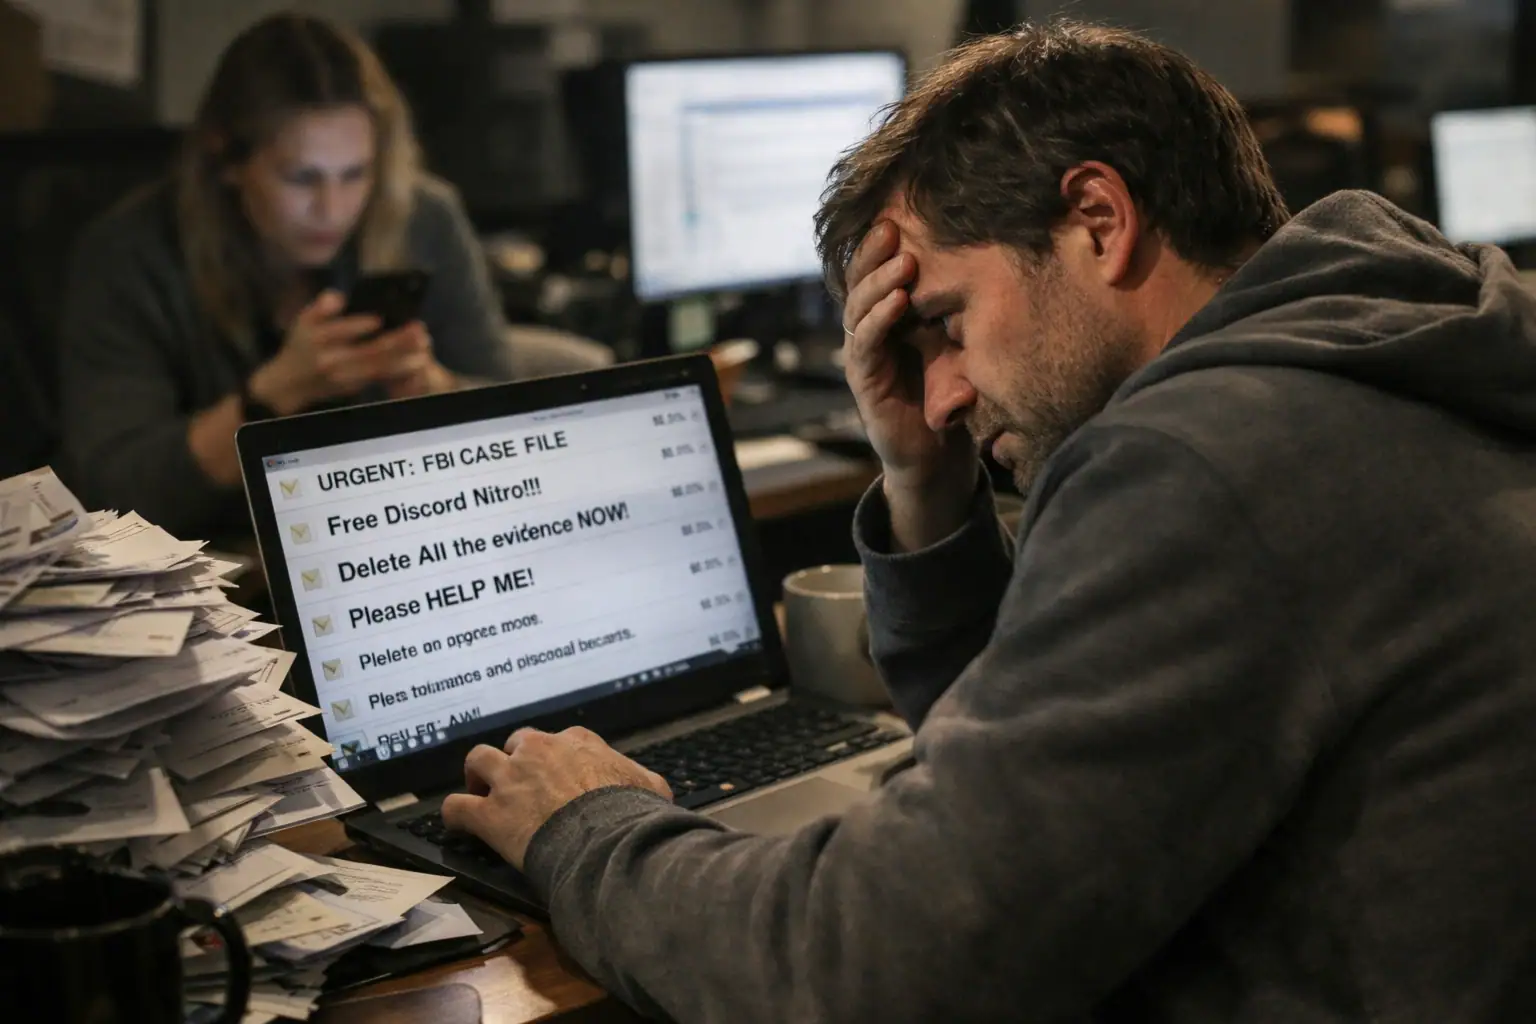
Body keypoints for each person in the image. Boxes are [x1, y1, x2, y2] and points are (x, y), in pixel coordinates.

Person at [441, 23, 1536, 1023]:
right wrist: (927, 488)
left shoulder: (1209, 456)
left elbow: (863, 967)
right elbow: (1051, 774)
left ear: (1097, 222)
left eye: (946, 322)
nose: (946, 391)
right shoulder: (1398, 346)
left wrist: (580, 827)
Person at [60, 14, 525, 538]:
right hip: (216, 565)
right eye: (302, 177)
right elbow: (116, 492)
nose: (332, 210)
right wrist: (268, 399)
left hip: (389, 540)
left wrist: (429, 389)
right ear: (226, 158)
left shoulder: (423, 216)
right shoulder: (129, 252)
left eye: (355, 174)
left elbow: (512, 424)